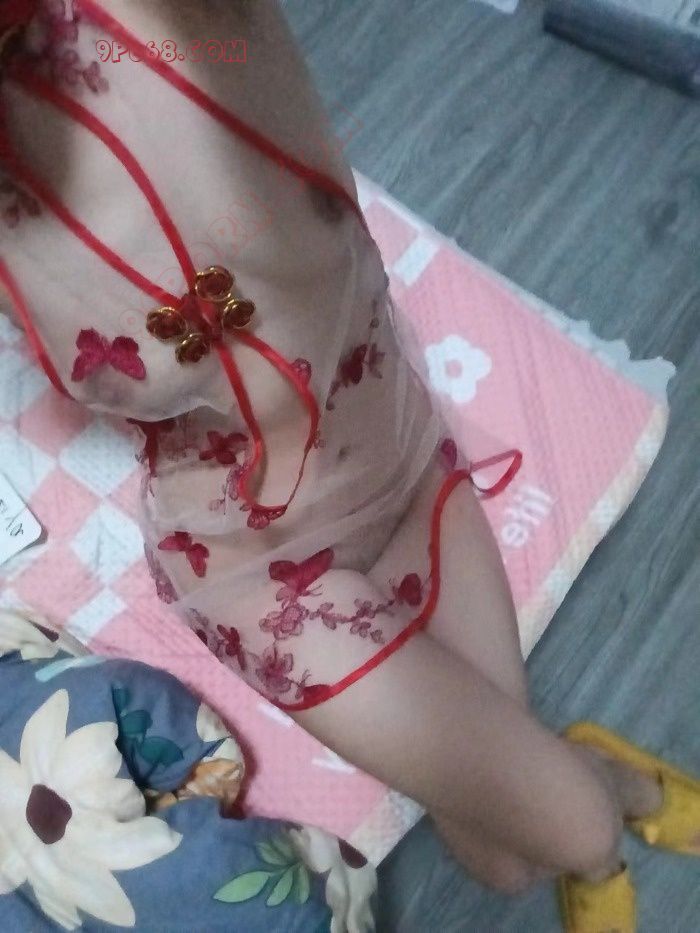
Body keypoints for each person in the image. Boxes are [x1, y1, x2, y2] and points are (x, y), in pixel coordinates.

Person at [1, 3, 697, 929]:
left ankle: (596, 778)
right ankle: (612, 806)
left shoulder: (182, 30)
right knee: (566, 829)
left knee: (500, 855)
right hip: (255, 567)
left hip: (394, 455)